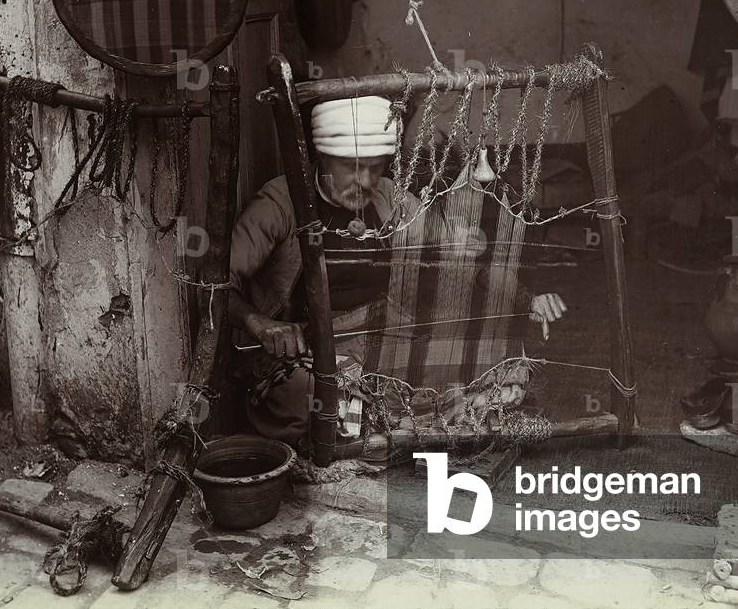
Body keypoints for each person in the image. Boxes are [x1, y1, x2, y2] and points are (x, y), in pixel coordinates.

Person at [227, 95, 567, 445]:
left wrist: (529, 299)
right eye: (353, 167)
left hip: (381, 336)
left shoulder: (388, 197)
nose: (365, 180)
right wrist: (261, 324)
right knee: (310, 399)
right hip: (306, 351)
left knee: (506, 365)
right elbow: (218, 283)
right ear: (322, 158)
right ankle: (424, 417)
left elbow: (462, 257)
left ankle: (385, 425)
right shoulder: (280, 204)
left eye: (376, 168)